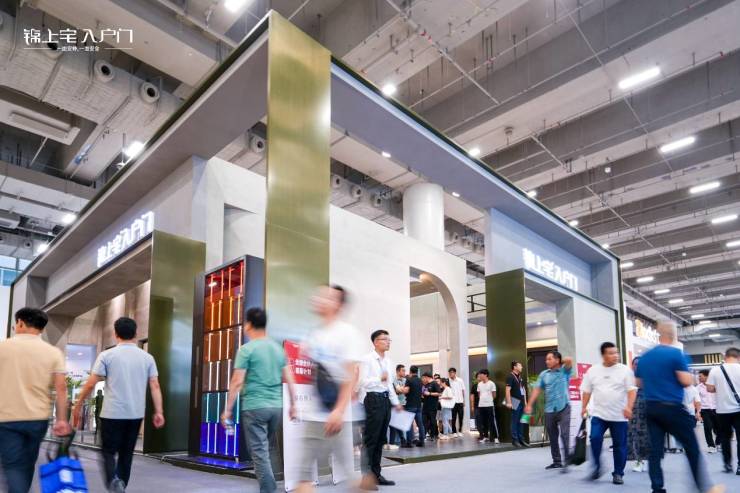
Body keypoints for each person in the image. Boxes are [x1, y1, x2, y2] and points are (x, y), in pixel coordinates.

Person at [73, 317, 164, 493]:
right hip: (135, 414)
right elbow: (155, 385)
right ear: (135, 334)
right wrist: (159, 411)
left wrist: (78, 404)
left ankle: (113, 481)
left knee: (108, 452)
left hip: (112, 414)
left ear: (116, 334)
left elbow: (91, 383)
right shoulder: (147, 358)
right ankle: (120, 483)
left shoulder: (107, 355)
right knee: (126, 454)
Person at [635, 320, 724, 493]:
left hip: (651, 408)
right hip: (672, 408)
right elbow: (685, 381)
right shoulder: (676, 355)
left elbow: (638, 382)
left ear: (659, 334)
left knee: (655, 451)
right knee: (692, 447)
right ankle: (705, 488)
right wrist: (685, 378)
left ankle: (657, 489)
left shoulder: (645, 357)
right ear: (672, 334)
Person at [295, 285, 364, 493]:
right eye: (319, 295)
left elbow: (350, 377)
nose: (318, 299)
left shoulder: (347, 333)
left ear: (337, 305)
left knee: (345, 470)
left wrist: (338, 411)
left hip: (335, 414)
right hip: (317, 413)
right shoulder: (314, 334)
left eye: (327, 297)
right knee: (304, 473)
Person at [220, 307, 296, 493]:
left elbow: (237, 381)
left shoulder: (247, 349)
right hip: (276, 407)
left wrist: (227, 409)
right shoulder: (278, 349)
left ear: (249, 325)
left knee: (259, 453)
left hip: (255, 407)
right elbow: (289, 377)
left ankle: (268, 490)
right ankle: (271, 485)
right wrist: (294, 404)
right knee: (267, 449)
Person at [0, 308, 71, 493]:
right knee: (27, 463)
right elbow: (61, 388)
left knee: (13, 465)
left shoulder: (3, 347)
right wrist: (62, 420)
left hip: (7, 418)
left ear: (20, 323)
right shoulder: (53, 352)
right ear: (42, 328)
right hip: (38, 419)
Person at [581, 342, 636, 485]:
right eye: (611, 353)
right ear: (603, 355)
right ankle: (598, 467)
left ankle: (618, 473)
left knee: (619, 445)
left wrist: (629, 407)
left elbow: (632, 390)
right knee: (595, 438)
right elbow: (587, 391)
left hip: (619, 416)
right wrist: (583, 407)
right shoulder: (593, 371)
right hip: (599, 414)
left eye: (616, 353)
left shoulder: (625, 370)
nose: (615, 355)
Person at [358, 330, 403, 489]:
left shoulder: (388, 362)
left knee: (380, 440)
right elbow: (362, 382)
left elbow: (389, 384)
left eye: (389, 339)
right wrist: (379, 378)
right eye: (385, 339)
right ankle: (366, 478)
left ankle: (376, 475)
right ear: (376, 342)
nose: (388, 342)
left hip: (385, 401)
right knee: (370, 440)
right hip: (373, 399)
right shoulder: (367, 359)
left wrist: (395, 402)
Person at [525, 351, 573, 471]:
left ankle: (567, 460)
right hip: (549, 409)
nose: (547, 361)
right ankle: (557, 461)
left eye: (549, 359)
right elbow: (537, 390)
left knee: (565, 434)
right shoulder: (544, 374)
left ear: (557, 360)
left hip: (564, 407)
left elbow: (569, 360)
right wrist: (529, 404)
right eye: (546, 359)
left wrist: (559, 361)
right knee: (552, 436)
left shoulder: (564, 371)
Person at [707, 347, 740, 475]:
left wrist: (721, 389)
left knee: (725, 437)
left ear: (725, 357)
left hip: (722, 410)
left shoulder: (716, 370)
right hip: (739, 409)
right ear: (738, 357)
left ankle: (727, 464)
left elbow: (709, 389)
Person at [627, 357, 650, 473]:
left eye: (639, 364)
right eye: (635, 364)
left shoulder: (648, 377)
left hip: (647, 408)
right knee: (634, 435)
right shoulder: (628, 378)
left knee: (647, 435)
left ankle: (646, 459)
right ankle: (639, 460)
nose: (637, 366)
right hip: (633, 409)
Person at [505, 361, 527, 447]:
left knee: (522, 421)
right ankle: (515, 440)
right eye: (520, 365)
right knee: (514, 421)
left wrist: (525, 401)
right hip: (514, 401)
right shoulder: (510, 376)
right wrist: (509, 402)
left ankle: (521, 439)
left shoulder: (520, 377)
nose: (521, 367)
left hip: (522, 401)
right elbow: (507, 390)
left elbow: (523, 389)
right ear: (514, 367)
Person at [697, 369, 719, 454]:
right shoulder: (698, 387)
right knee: (707, 427)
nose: (699, 378)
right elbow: (697, 400)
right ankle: (711, 446)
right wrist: (698, 412)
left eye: (700, 376)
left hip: (717, 409)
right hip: (705, 410)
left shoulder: (715, 385)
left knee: (719, 428)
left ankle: (718, 443)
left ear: (706, 376)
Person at [403, 366, 425, 448]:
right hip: (418, 405)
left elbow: (406, 391)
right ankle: (422, 441)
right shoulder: (420, 380)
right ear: (417, 371)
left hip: (410, 405)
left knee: (408, 424)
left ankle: (409, 443)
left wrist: (400, 389)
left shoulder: (409, 380)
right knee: (420, 424)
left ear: (410, 371)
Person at [475, 369, 498, 444]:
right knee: (483, 422)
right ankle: (485, 437)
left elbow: (494, 395)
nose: (480, 376)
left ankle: (495, 437)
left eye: (481, 374)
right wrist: (483, 400)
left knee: (491, 421)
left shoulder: (491, 383)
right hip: (481, 405)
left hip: (489, 405)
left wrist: (488, 400)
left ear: (486, 375)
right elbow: (479, 394)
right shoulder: (479, 384)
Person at [388, 364, 408, 448]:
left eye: (404, 370)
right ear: (397, 371)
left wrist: (400, 390)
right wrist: (401, 390)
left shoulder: (406, 380)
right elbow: (397, 390)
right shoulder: (393, 379)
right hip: (394, 404)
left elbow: (404, 390)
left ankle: (400, 441)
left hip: (403, 404)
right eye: (403, 370)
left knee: (399, 423)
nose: (404, 372)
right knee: (393, 424)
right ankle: (394, 442)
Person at [421, 372, 441, 442]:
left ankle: (433, 435)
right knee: (424, 420)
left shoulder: (434, 383)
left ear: (427, 377)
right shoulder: (425, 385)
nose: (423, 379)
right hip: (425, 406)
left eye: (423, 378)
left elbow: (439, 393)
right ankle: (424, 435)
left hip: (432, 406)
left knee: (432, 421)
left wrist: (429, 393)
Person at [448, 368, 466, 437]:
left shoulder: (460, 380)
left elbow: (463, 390)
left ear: (455, 373)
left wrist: (464, 400)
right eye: (449, 373)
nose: (450, 374)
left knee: (461, 417)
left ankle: (460, 431)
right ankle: (454, 431)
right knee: (453, 418)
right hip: (452, 402)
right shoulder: (448, 381)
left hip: (460, 401)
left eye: (452, 372)